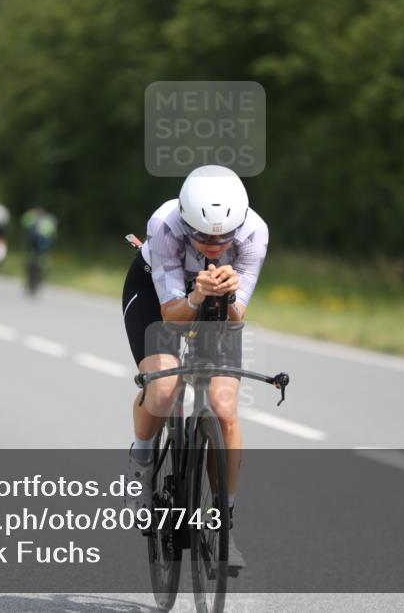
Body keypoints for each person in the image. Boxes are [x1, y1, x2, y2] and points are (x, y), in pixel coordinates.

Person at [121, 165, 268, 572]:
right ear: (185, 220)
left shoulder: (255, 233)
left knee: (223, 409)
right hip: (156, 295)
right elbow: (171, 316)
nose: (213, 245)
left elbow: (236, 319)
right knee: (164, 388)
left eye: (224, 238)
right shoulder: (164, 226)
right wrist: (196, 293)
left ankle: (223, 525)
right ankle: (143, 460)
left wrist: (229, 292)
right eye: (202, 236)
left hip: (215, 303)